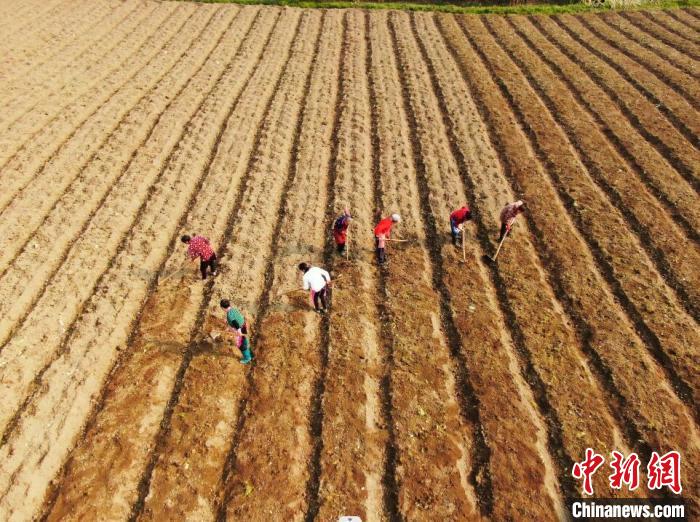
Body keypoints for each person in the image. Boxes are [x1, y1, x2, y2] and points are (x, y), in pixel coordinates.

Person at [220, 299, 253, 364]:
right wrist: (228, 323)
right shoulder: (233, 309)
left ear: (222, 307)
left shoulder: (229, 315)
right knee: (244, 341)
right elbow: (237, 317)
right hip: (243, 324)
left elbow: (235, 323)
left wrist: (239, 331)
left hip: (239, 328)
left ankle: (247, 358)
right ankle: (247, 349)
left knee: (240, 345)